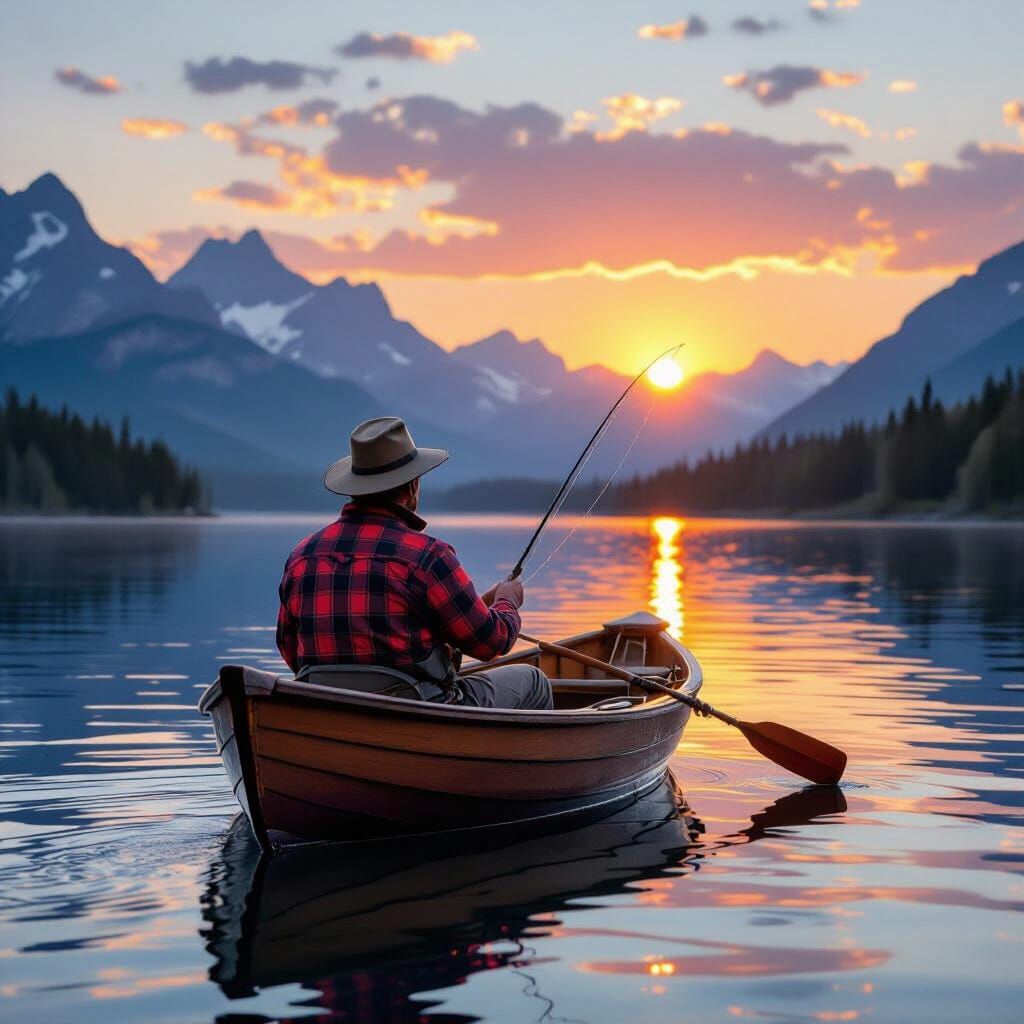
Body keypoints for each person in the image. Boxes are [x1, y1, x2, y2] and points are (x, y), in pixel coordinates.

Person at [276, 416, 553, 709]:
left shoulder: (302, 557)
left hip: (325, 710)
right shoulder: (429, 557)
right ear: (412, 486)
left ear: (354, 487)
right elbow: (491, 643)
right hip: (420, 712)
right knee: (534, 681)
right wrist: (507, 601)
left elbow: (290, 650)